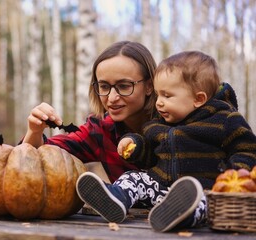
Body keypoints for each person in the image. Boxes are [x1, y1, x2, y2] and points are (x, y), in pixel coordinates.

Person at [76, 51, 256, 232]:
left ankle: (179, 216)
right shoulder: (158, 124)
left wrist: (232, 174)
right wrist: (135, 147)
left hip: (202, 190)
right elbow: (150, 157)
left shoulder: (224, 119)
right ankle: (116, 199)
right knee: (134, 179)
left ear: (198, 99)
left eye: (167, 96)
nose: (158, 103)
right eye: (157, 94)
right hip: (161, 188)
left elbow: (247, 149)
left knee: (202, 205)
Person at [23, 41, 157, 183]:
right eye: (104, 86)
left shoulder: (174, 121)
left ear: (149, 86)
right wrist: (34, 130)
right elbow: (36, 157)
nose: (111, 98)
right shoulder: (100, 130)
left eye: (124, 86)